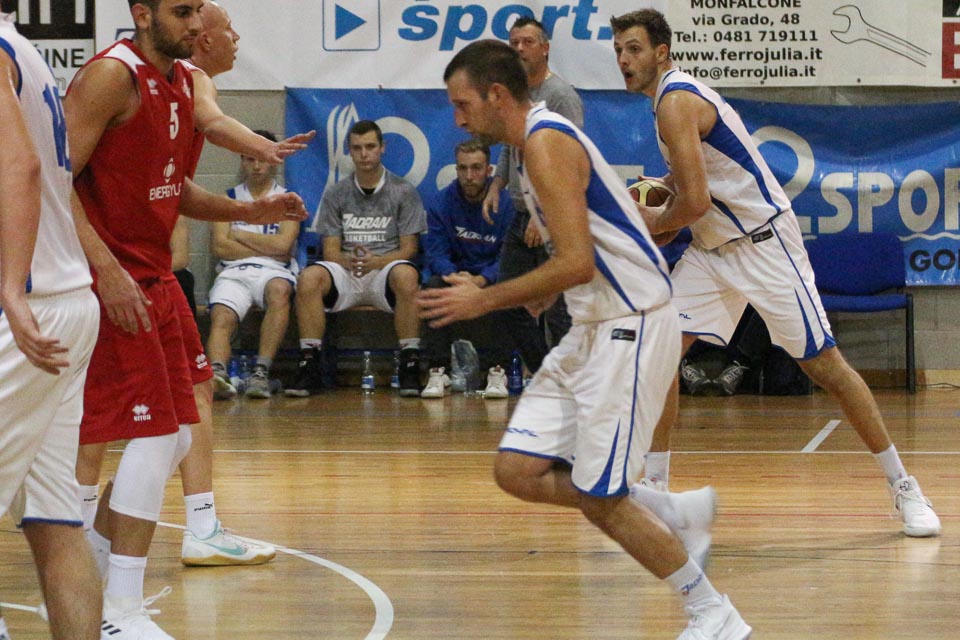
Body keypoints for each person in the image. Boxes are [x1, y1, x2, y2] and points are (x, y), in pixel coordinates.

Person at [421, 39, 751, 639]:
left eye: (462, 104)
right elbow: (581, 251)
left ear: (496, 95)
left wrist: (486, 298)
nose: (458, 119)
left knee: (601, 499)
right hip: (594, 321)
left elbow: (575, 261)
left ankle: (714, 613)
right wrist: (542, 290)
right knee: (517, 471)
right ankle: (671, 510)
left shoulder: (546, 143)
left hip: (631, 324)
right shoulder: (529, 147)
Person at [610, 9, 940, 538]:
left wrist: (656, 223)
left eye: (634, 49)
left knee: (825, 366)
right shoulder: (667, 102)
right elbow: (694, 185)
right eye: (619, 51)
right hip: (714, 249)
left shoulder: (675, 101)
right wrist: (665, 197)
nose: (624, 60)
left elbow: (694, 203)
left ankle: (905, 487)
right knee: (659, 352)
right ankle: (658, 491)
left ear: (662, 52)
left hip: (763, 245)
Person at [63, 1, 307, 637]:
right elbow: (55, 181)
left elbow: (171, 190)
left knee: (174, 434)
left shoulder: (178, 82)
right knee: (140, 437)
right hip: (109, 282)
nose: (196, 24)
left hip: (153, 279)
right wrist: (106, 270)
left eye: (198, 9)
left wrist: (249, 212)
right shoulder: (111, 76)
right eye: (182, 11)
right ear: (141, 14)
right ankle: (117, 610)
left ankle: (90, 576)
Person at [0, 12, 101, 640]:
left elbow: (21, 168)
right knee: (56, 521)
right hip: (68, 305)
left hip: (27, 312)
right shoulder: (23, 48)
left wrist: (11, 289)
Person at [285, 119, 427, 397]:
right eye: (357, 148)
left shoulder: (403, 191)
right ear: (349, 151)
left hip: (384, 271)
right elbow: (330, 250)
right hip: (348, 271)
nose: (364, 154)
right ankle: (309, 362)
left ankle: (410, 362)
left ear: (382, 148)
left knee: (407, 274)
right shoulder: (336, 192)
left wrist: (378, 262)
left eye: (370, 147)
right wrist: (347, 261)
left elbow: (409, 249)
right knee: (309, 277)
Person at [481, 16, 583, 375]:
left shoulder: (560, 96)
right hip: (521, 214)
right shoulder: (517, 92)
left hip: (554, 217)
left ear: (545, 48)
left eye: (527, 42)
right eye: (514, 43)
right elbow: (512, 143)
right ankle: (545, 373)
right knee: (509, 300)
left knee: (559, 311)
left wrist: (545, 215)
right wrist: (497, 184)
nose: (520, 49)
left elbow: (571, 160)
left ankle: (573, 381)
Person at [207, 130, 299, 400]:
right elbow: (220, 247)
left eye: (262, 159)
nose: (257, 166)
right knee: (222, 315)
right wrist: (267, 245)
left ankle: (261, 372)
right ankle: (218, 374)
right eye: (250, 159)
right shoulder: (228, 199)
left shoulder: (288, 199)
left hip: (274, 272)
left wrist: (239, 234)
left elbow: (284, 247)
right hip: (233, 271)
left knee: (280, 291)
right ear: (242, 161)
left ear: (273, 160)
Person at [420, 139, 515, 399]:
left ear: (489, 170)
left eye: (476, 168)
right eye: (463, 168)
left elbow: (509, 255)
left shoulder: (507, 205)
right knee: (432, 287)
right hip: (456, 276)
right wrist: (456, 277)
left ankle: (498, 371)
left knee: (509, 286)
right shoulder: (441, 202)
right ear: (456, 169)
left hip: (489, 277)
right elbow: (436, 252)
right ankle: (438, 371)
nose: (469, 176)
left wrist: (483, 279)